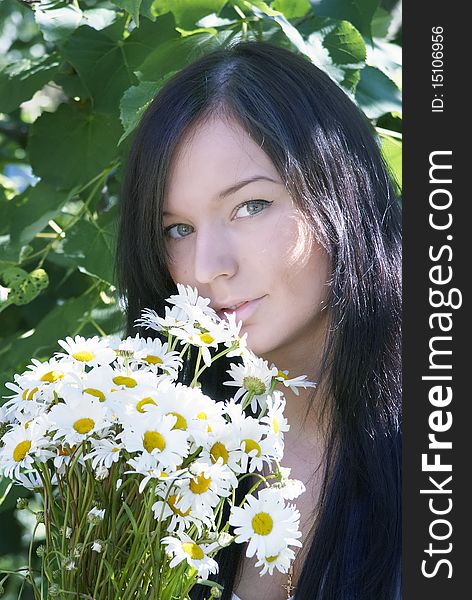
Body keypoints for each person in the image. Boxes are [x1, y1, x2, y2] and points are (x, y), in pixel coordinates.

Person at [117, 40, 401, 600]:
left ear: (342, 190)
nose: (207, 267)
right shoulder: (158, 449)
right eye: (178, 229)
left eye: (249, 207)